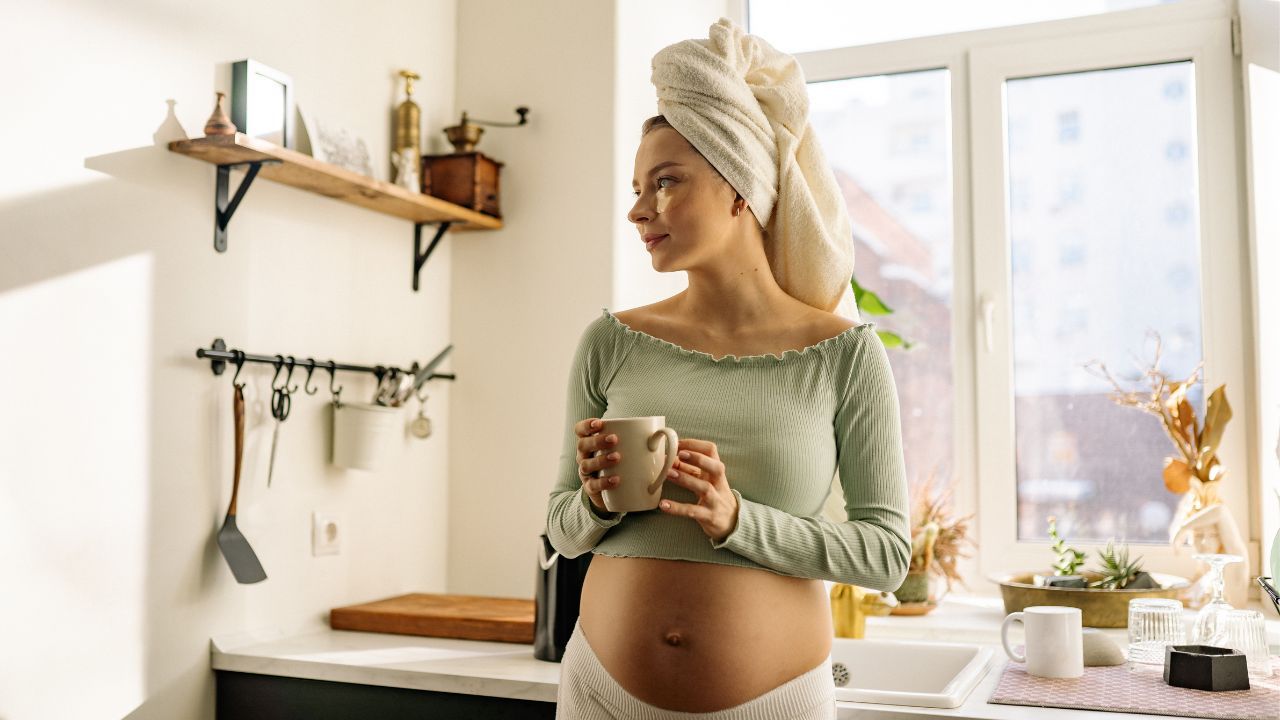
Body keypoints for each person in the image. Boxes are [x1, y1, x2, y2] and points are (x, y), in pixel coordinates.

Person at [545, 17, 911, 720]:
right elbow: (562, 530)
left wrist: (738, 519)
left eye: (666, 182)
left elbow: (885, 554)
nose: (637, 209)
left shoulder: (843, 354)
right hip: (597, 691)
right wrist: (593, 501)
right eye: (636, 187)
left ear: (740, 189)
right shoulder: (610, 340)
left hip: (771, 704)